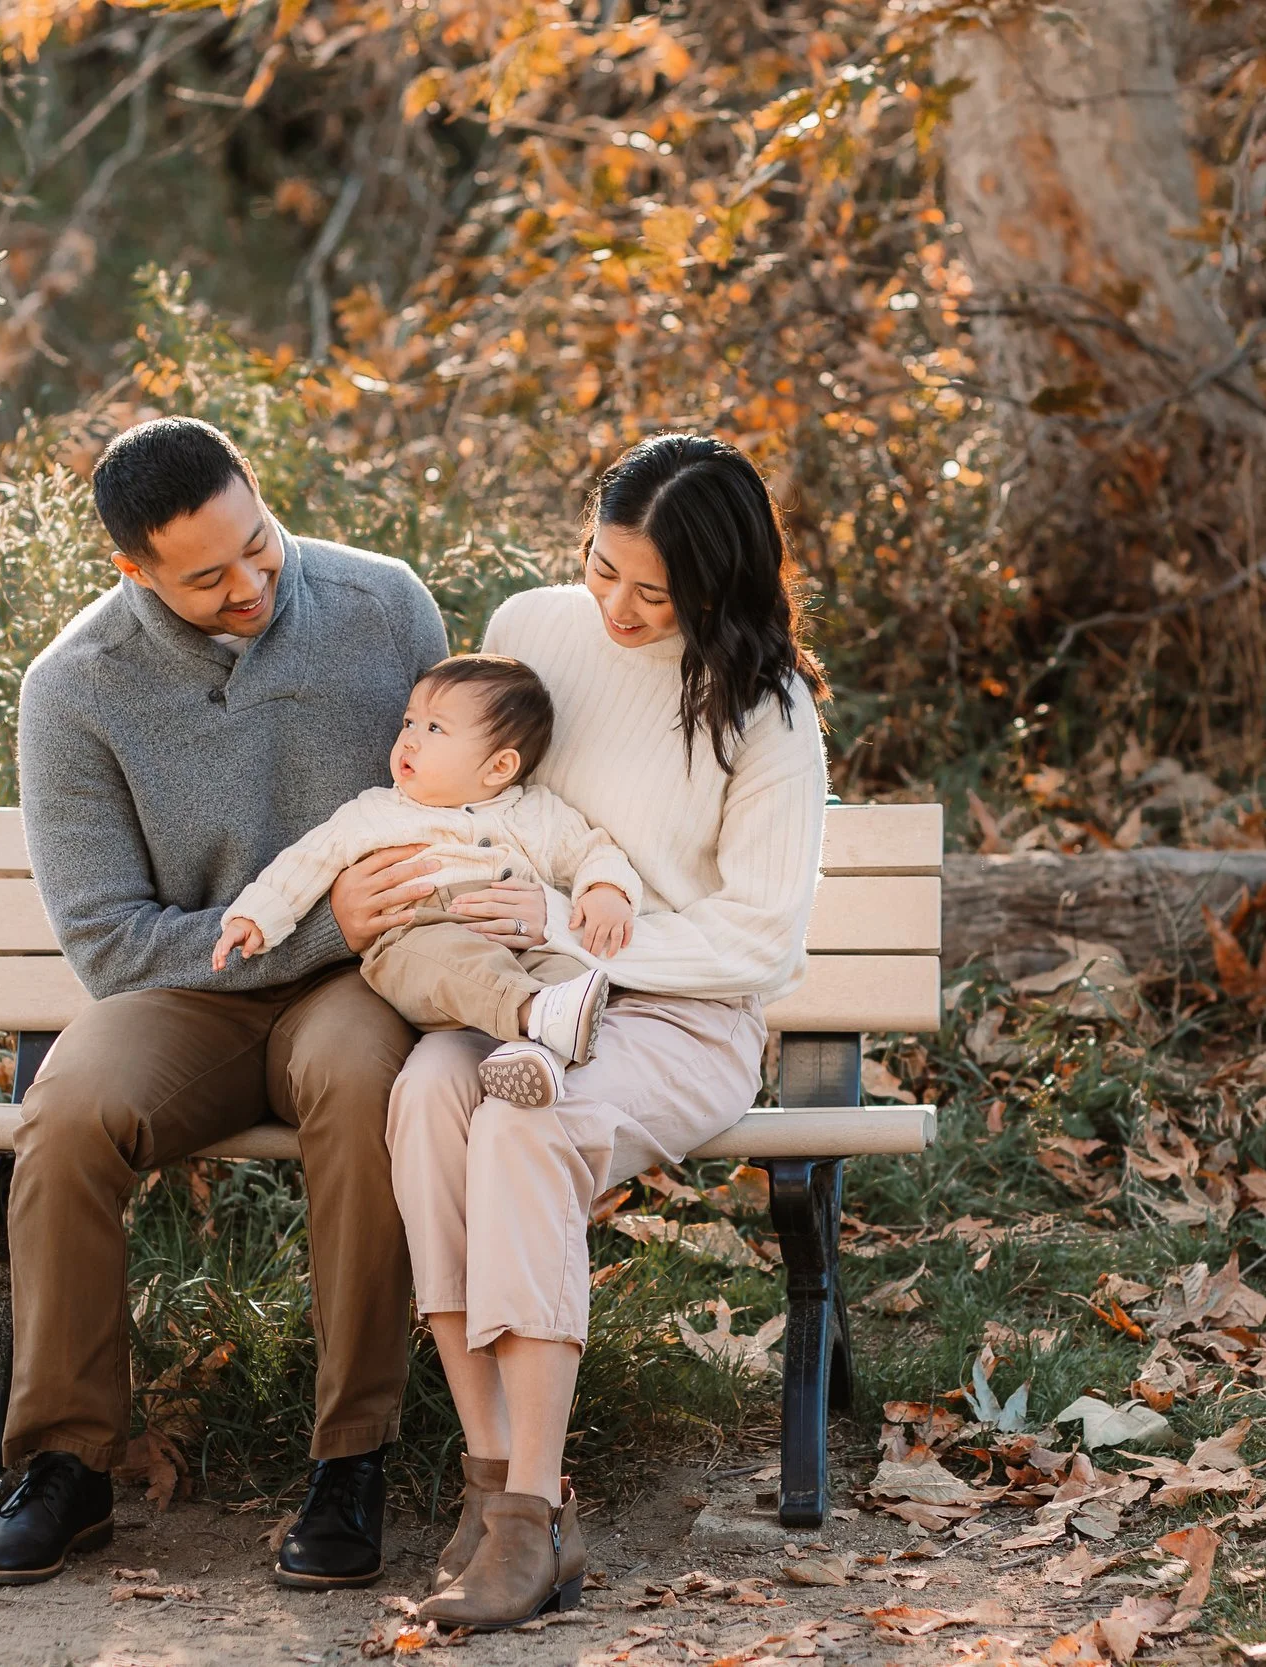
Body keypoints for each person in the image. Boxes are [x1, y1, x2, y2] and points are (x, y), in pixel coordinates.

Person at [0, 416, 455, 1589]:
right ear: (131, 569)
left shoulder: (386, 606)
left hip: (364, 981)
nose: (250, 585)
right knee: (67, 1110)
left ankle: (350, 1458)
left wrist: (378, 928)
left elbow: (459, 797)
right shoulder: (74, 686)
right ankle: (67, 1465)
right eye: (205, 577)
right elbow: (108, 944)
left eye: (258, 542)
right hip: (193, 986)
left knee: (357, 1082)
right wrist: (322, 920)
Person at [387, 433, 830, 1629]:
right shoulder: (531, 625)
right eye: (602, 569)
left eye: (656, 592)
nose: (618, 609)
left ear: (719, 585)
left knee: (526, 1125)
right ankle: (495, 1483)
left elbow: (760, 940)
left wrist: (576, 934)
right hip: (517, 991)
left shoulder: (768, 712)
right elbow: (482, 790)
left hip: (681, 1017)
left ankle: (531, 1514)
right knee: (427, 1096)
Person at [211, 653, 641, 1108]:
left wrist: (605, 890)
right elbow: (307, 860)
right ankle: (532, 1014)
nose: (409, 740)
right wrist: (255, 916)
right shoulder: (375, 810)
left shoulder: (540, 814)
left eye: (434, 728)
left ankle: (536, 1056)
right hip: (417, 933)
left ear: (499, 767)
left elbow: (595, 850)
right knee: (442, 959)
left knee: (570, 973)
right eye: (409, 722)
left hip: (519, 944)